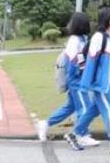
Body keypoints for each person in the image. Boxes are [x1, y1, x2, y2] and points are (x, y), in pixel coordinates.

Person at [64, 7, 110, 156]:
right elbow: (88, 59)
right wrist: (87, 80)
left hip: (107, 81)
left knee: (93, 110)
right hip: (99, 83)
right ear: (107, 19)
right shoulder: (98, 37)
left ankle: (74, 134)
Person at [35, 12, 99, 147]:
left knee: (70, 107)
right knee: (85, 107)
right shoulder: (75, 40)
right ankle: (81, 135)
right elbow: (76, 59)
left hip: (78, 78)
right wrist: (85, 70)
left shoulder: (82, 38)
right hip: (77, 79)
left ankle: (45, 124)